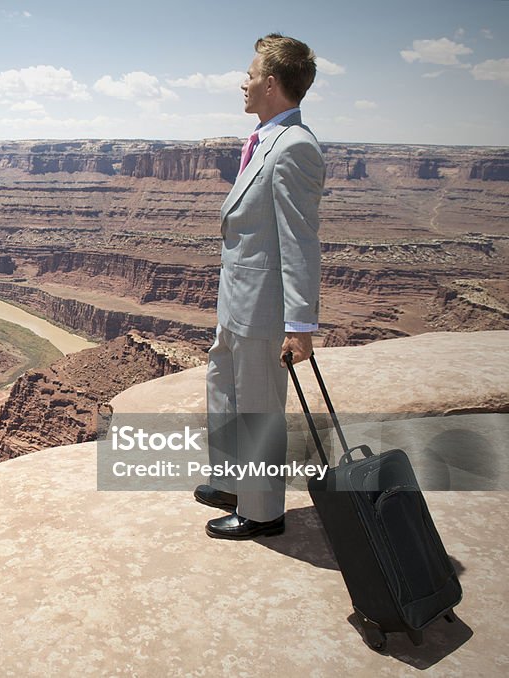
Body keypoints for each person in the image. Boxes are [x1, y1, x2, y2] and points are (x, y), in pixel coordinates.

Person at [195, 33, 325, 539]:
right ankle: (231, 482)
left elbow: (300, 243)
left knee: (259, 405)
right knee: (222, 388)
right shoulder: (264, 139)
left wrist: (300, 324)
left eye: (249, 75)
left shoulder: (295, 147)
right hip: (237, 301)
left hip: (267, 307)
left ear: (270, 84)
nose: (243, 84)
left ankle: (262, 512)